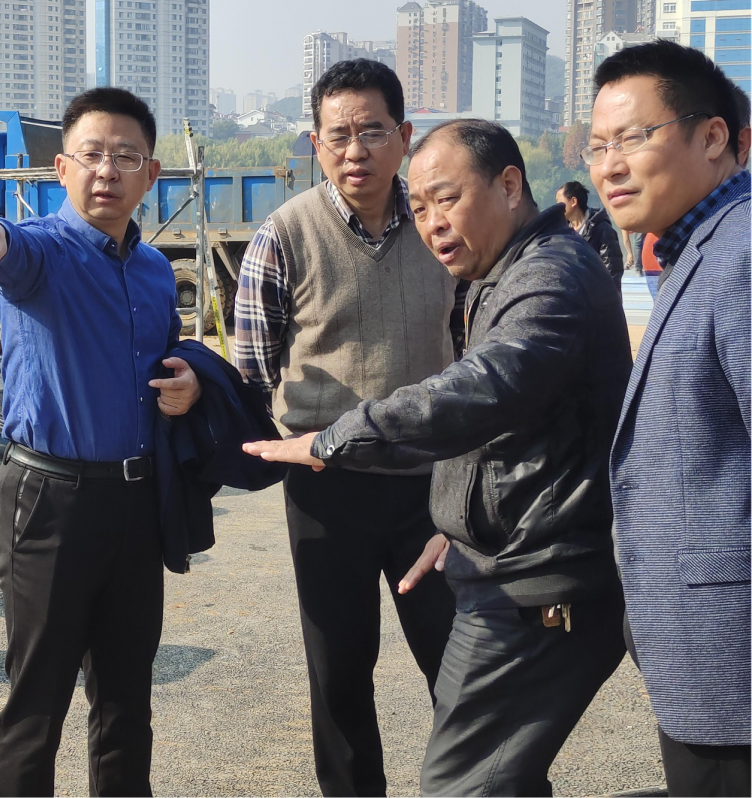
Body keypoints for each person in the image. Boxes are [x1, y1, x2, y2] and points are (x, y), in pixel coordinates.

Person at [244, 119, 632, 796]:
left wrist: (333, 436)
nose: (432, 224)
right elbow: (500, 427)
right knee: (477, 767)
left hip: (539, 580)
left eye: (447, 199)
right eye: (420, 208)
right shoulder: (497, 271)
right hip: (487, 556)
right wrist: (456, 523)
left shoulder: (549, 277)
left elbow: (478, 390)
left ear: (509, 185)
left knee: (463, 784)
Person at [0, 87, 202, 796]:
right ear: (62, 168)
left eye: (126, 157)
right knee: (38, 703)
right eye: (92, 155)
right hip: (49, 502)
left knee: (126, 702)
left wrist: (188, 382)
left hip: (136, 503)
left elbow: (167, 359)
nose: (107, 171)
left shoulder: (154, 270)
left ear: (151, 174)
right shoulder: (45, 253)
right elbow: (9, 243)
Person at [234, 59, 457, 796]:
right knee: (339, 671)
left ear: (405, 136)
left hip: (432, 489)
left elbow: (476, 350)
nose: (355, 150)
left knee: (459, 663)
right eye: (339, 135)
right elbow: (251, 370)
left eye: (373, 131)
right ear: (315, 144)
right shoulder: (284, 235)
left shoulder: (442, 225)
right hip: (326, 489)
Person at [589, 40, 750, 796]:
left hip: (735, 662)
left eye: (633, 138)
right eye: (597, 147)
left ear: (713, 137)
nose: (610, 166)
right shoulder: (697, 251)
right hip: (708, 658)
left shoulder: (741, 254)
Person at [556, 180, 625, 293]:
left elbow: (612, 269)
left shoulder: (601, 229)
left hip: (596, 296)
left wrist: (607, 298)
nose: (557, 207)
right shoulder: (562, 231)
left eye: (559, 202)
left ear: (573, 201)